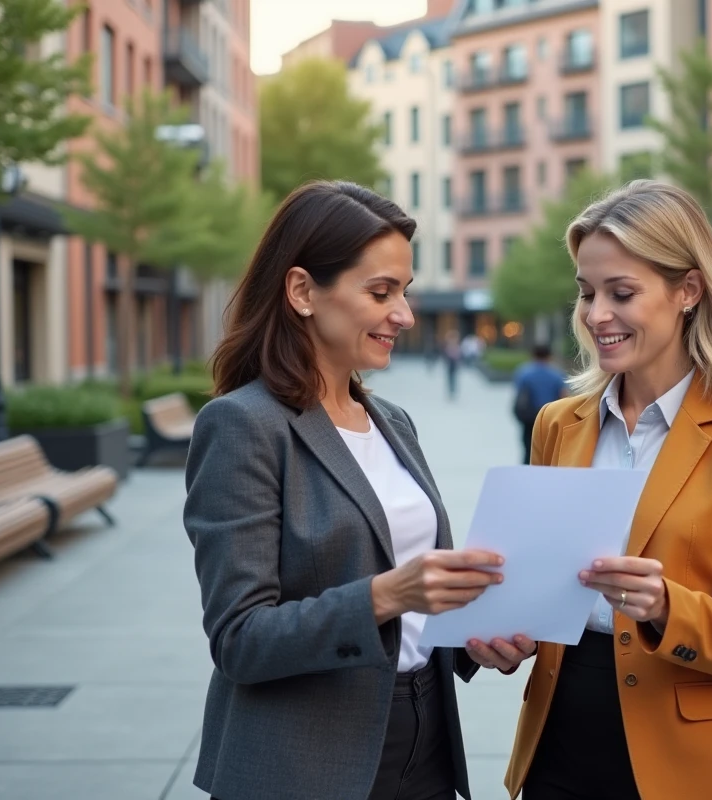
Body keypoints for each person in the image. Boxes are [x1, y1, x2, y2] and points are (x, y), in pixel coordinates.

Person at [464, 180, 712, 799]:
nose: (596, 315)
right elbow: (543, 595)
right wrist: (505, 637)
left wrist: (665, 605)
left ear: (688, 291)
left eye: (621, 293)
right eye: (588, 293)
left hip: (690, 758)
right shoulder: (557, 425)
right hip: (560, 740)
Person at [183, 181, 503, 800]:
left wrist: (474, 638)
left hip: (426, 742)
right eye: (380, 292)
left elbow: (418, 606)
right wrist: (386, 595)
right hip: (306, 763)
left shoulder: (393, 423)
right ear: (303, 291)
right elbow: (240, 640)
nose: (404, 314)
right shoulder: (243, 426)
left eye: (404, 293)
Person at [511, 344, 568, 464]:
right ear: (549, 356)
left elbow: (518, 393)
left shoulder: (523, 373)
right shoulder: (556, 374)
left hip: (529, 417)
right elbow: (564, 396)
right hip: (550, 417)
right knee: (549, 449)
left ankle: (527, 473)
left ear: (533, 355)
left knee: (528, 448)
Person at [443, 330, 462, 400]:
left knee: (454, 378)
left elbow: (459, 356)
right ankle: (451, 391)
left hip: (454, 364)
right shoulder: (449, 346)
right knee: (450, 378)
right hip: (450, 364)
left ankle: (453, 391)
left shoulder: (457, 346)